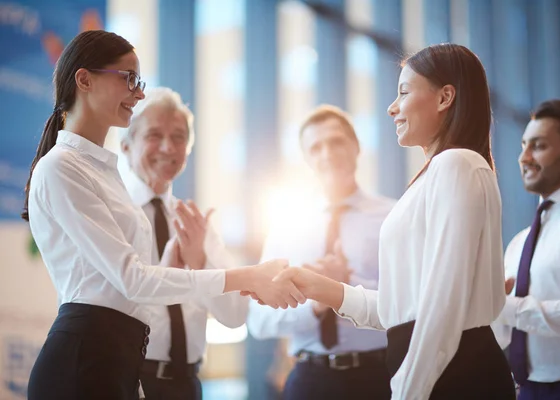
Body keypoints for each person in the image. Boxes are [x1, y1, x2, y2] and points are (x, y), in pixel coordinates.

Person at [22, 30, 303, 400]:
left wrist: (177, 263)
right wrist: (248, 275)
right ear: (85, 79)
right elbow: (131, 281)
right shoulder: (61, 167)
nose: (138, 93)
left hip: (119, 360)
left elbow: (130, 290)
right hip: (84, 362)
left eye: (140, 82)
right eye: (129, 79)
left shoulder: (104, 172)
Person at [270, 43, 516, 399]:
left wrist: (407, 391)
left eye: (403, 92)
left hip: (450, 375)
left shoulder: (455, 164)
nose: (392, 107)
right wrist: (317, 285)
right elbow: (397, 310)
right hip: (439, 369)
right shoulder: (437, 174)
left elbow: (442, 303)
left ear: (446, 97)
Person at [246, 105, 395, 400]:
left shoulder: (393, 216)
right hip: (310, 380)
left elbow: (412, 303)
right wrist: (316, 303)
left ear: (356, 146)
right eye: (316, 147)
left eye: (336, 141)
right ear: (306, 159)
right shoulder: (287, 225)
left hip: (377, 377)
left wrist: (341, 289)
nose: (327, 153)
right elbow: (259, 321)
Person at [119, 87, 248, 399]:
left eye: (178, 137)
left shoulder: (195, 224)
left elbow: (235, 315)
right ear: (126, 146)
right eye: (154, 135)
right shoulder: (112, 215)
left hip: (186, 385)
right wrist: (169, 275)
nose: (167, 146)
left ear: (188, 150)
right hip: (127, 380)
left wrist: (200, 263)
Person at [493, 99, 560, 400]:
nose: (523, 157)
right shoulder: (519, 242)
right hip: (525, 391)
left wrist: (504, 307)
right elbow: (506, 331)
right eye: (523, 145)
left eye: (538, 146)